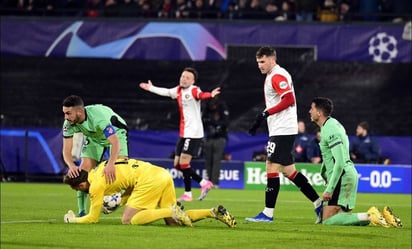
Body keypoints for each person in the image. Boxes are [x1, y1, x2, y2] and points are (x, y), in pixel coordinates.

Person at [246, 46, 322, 223]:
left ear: (272, 59)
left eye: (263, 61)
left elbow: (289, 100)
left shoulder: (277, 75)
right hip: (281, 128)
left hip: (282, 129)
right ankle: (318, 203)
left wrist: (266, 113)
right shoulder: (273, 76)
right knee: (289, 171)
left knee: (271, 167)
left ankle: (268, 213)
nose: (260, 65)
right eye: (258, 62)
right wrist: (262, 118)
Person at [308, 97, 402, 227]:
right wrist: (324, 173)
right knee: (344, 218)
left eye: (311, 108)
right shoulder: (332, 125)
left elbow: (339, 162)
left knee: (328, 220)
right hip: (346, 175)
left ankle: (370, 215)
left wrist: (330, 189)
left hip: (342, 177)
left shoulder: (330, 129)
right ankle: (381, 218)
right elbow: (330, 157)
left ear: (319, 112)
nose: (309, 111)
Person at [63, 158, 237, 228]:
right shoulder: (101, 166)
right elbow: (130, 182)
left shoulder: (95, 186)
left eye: (78, 188)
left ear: (82, 183)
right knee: (173, 223)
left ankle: (172, 210)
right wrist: (121, 201)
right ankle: (213, 212)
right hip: (161, 174)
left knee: (129, 220)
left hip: (148, 180)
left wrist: (73, 220)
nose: (81, 191)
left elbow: (93, 218)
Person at [139, 67, 219, 202]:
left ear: (193, 81)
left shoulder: (193, 90)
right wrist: (151, 88)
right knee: (177, 164)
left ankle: (198, 187)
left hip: (193, 133)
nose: (184, 79)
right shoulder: (177, 90)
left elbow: (201, 95)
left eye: (188, 78)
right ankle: (197, 187)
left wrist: (210, 95)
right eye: (183, 76)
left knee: (183, 163)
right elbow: (165, 91)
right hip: (184, 133)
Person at [62, 95, 129, 217]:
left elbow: (115, 142)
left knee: (120, 169)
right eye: (65, 113)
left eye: (68, 113)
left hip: (117, 133)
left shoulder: (99, 118)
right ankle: (82, 212)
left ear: (80, 111)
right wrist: (71, 166)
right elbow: (66, 150)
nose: (66, 117)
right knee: (81, 172)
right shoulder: (68, 123)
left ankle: (118, 199)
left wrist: (110, 164)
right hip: (94, 138)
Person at [202, 96, 230, 188]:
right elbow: (203, 120)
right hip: (209, 137)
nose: (212, 107)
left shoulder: (222, 107)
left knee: (216, 159)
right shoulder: (206, 108)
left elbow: (226, 122)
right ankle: (208, 182)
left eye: (213, 105)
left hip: (220, 137)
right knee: (208, 159)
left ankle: (215, 182)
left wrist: (217, 127)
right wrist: (209, 127)